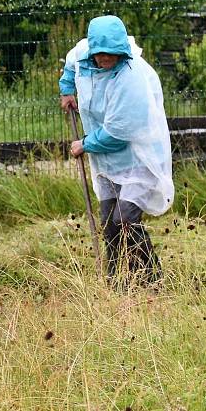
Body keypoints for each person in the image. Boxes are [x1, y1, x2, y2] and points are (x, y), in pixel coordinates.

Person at [59, 15, 173, 286]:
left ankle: (150, 279)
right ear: (93, 50)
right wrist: (66, 90)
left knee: (125, 218)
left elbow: (119, 134)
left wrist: (84, 145)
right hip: (107, 162)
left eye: (113, 53)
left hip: (139, 155)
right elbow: (70, 65)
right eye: (102, 53)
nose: (107, 58)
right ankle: (117, 280)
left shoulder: (132, 77)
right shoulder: (82, 54)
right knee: (110, 223)